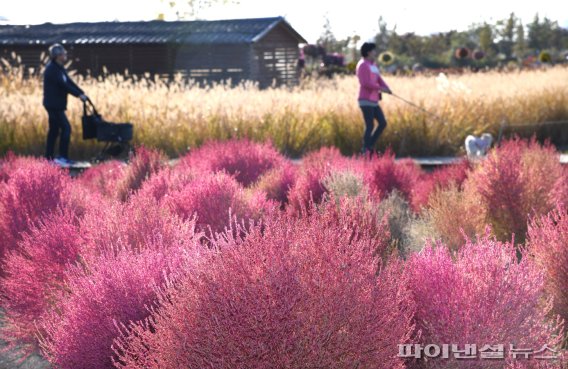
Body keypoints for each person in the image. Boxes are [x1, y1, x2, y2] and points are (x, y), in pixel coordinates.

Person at [43, 43, 88, 165]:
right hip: (53, 105)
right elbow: (63, 86)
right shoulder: (52, 69)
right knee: (66, 128)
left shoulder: (59, 68)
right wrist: (78, 95)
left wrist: (81, 92)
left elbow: (69, 82)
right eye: (64, 53)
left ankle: (48, 158)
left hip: (56, 105)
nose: (66, 55)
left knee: (54, 131)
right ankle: (62, 157)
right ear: (58, 55)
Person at [356, 42, 392, 155]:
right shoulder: (362, 65)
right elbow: (365, 83)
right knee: (370, 125)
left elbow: (379, 79)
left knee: (382, 123)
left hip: (374, 101)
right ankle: (366, 149)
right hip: (365, 100)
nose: (375, 53)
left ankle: (369, 145)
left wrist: (387, 88)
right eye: (373, 51)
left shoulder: (373, 65)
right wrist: (381, 88)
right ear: (368, 52)